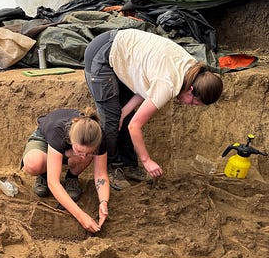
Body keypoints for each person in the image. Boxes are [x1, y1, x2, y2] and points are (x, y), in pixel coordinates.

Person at [84, 28, 223, 190]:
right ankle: (112, 167)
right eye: (193, 103)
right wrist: (147, 161)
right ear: (191, 89)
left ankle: (129, 165)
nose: (189, 105)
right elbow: (135, 126)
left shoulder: (191, 70)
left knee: (123, 116)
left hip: (122, 50)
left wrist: (125, 112)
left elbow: (147, 87)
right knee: (111, 121)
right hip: (102, 53)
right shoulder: (169, 84)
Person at [21, 108, 110, 234]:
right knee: (34, 163)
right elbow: (53, 183)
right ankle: (44, 174)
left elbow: (101, 174)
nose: (84, 156)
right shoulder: (58, 131)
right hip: (46, 139)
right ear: (71, 140)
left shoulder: (98, 136)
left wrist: (104, 202)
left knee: (82, 156)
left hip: (66, 149)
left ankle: (72, 177)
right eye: (80, 151)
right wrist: (81, 216)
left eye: (89, 152)